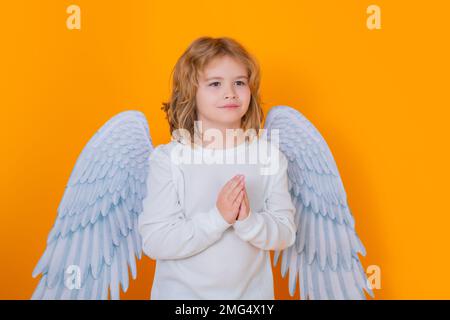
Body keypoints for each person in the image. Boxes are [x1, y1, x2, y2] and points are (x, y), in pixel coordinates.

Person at [138, 36, 296, 299]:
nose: (230, 93)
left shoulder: (269, 156)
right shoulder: (169, 160)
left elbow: (285, 234)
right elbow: (156, 241)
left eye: (239, 82)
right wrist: (219, 218)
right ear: (191, 93)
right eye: (215, 84)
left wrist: (248, 221)